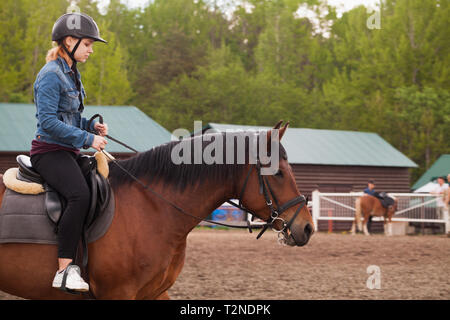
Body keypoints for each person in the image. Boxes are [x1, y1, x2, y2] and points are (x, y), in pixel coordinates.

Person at [30, 12, 108, 292]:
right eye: (88, 44)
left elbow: (69, 118)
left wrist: (92, 126)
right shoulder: (51, 75)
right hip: (49, 151)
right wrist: (87, 138)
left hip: (67, 150)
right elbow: (49, 122)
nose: (90, 50)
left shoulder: (71, 72)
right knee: (79, 194)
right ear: (70, 41)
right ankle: (64, 269)